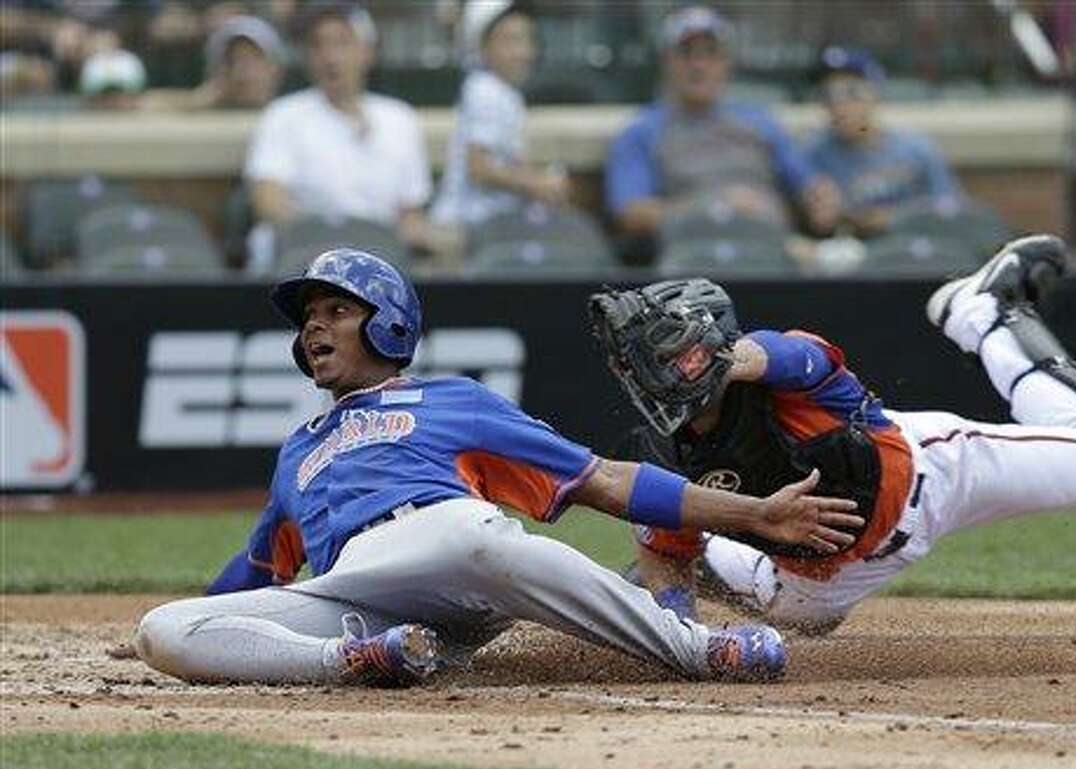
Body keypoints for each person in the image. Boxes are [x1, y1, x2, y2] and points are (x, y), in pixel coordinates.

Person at [134, 248, 866, 686]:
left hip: (451, 545)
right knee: (163, 630)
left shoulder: (451, 399)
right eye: (308, 320)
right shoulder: (298, 449)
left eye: (333, 309)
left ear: (387, 323)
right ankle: (360, 662)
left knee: (479, 541)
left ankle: (699, 650)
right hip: (363, 597)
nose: (313, 328)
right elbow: (257, 569)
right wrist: (211, 609)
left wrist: (755, 514)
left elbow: (604, 481)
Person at [590, 235, 1076, 632]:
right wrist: (681, 632)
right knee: (802, 619)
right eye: (646, 359)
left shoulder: (782, 371)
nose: (655, 370)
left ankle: (982, 314)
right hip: (811, 587)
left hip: (939, 478)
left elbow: (797, 356)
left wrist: (727, 359)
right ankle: (681, 575)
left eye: (673, 354)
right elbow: (666, 548)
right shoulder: (657, 457)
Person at [242, 2, 456, 270]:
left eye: (342, 43)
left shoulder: (400, 118)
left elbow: (410, 213)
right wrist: (332, 243)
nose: (329, 57)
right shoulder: (284, 115)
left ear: (368, 51)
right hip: (306, 260)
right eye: (318, 45)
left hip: (380, 263)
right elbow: (268, 201)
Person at [604, 5, 829, 243]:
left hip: (773, 249)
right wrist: (714, 205)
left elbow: (807, 182)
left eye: (711, 53)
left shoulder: (759, 122)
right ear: (667, 62)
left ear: (726, 63)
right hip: (694, 254)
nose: (699, 65)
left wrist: (819, 198)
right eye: (687, 53)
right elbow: (630, 214)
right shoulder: (643, 130)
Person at [798, 45, 963, 239]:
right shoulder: (813, 154)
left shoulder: (914, 148)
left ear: (875, 94)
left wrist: (894, 217)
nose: (840, 106)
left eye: (852, 93)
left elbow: (950, 208)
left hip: (915, 251)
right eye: (828, 95)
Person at [430, 0, 569, 228]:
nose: (524, 52)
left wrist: (541, 181)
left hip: (493, 223)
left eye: (528, 40)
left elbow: (509, 163)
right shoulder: (484, 90)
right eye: (511, 41)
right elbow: (479, 168)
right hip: (465, 227)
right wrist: (537, 184)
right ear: (482, 47)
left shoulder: (504, 93)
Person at [141, 15, 286, 111]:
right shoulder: (203, 115)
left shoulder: (298, 112)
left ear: (276, 67)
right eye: (232, 61)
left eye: (254, 58)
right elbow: (139, 105)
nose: (243, 70)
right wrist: (196, 101)